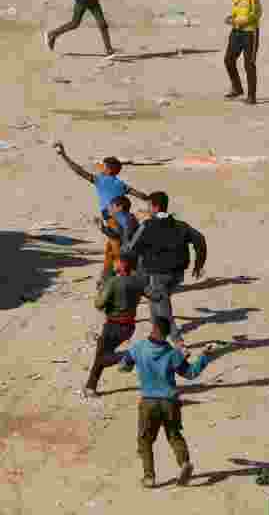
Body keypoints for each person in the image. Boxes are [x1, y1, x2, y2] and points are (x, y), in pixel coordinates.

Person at [119, 316, 216, 488]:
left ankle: (149, 477)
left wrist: (132, 365)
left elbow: (123, 367)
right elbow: (191, 374)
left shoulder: (139, 348)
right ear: (166, 334)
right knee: (174, 435)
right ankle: (184, 463)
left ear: (153, 328)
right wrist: (204, 356)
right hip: (170, 402)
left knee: (145, 439)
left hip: (148, 401)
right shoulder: (173, 353)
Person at [121, 191, 208, 348]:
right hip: (177, 274)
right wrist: (198, 264)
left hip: (157, 273)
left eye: (149, 206)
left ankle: (178, 341)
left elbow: (131, 248)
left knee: (162, 307)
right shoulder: (181, 225)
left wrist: (127, 236)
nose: (147, 209)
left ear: (155, 207)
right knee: (155, 301)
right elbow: (200, 239)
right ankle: (156, 335)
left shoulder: (147, 225)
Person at [54, 142, 148, 284]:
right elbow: (139, 194)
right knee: (110, 250)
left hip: (112, 218)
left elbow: (79, 171)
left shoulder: (101, 180)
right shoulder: (120, 184)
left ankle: (124, 279)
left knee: (116, 249)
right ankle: (105, 278)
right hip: (123, 216)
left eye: (103, 166)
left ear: (110, 170)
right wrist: (151, 200)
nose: (101, 168)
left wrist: (64, 156)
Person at [85, 254, 148, 397]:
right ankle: (90, 387)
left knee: (102, 357)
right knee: (101, 354)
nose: (114, 264)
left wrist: (102, 289)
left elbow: (99, 304)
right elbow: (152, 294)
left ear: (122, 265)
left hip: (114, 326)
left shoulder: (114, 282)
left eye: (116, 262)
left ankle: (130, 356)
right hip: (129, 326)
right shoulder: (138, 282)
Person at [223, 0, 261, 104]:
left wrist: (239, 20)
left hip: (250, 32)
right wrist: (231, 17)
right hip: (236, 31)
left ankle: (251, 96)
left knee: (249, 64)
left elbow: (256, 13)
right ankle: (237, 88)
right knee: (228, 60)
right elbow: (236, 8)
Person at [95, 195, 140, 285]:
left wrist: (120, 258)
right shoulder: (123, 219)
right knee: (110, 249)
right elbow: (117, 235)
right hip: (127, 253)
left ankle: (110, 280)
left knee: (112, 252)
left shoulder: (129, 220)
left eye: (112, 206)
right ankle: (106, 279)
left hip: (131, 255)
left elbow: (129, 242)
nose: (109, 209)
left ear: (119, 208)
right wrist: (102, 228)